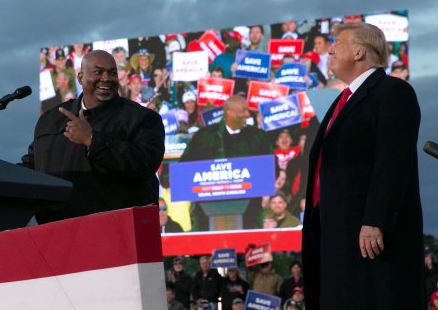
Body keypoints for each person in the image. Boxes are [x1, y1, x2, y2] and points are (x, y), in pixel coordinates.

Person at [301, 22, 427, 310]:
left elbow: (393, 161)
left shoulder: (393, 93)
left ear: (360, 51)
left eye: (336, 44)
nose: (329, 51)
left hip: (374, 243)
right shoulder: (342, 102)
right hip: (344, 245)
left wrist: (375, 220)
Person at [21, 50, 165, 223]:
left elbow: (144, 163)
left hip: (116, 235)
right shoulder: (50, 120)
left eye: (112, 73)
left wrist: (92, 140)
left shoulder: (142, 119)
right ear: (81, 78)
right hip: (56, 236)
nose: (106, 78)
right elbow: (32, 167)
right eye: (98, 72)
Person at [180, 96, 271, 230]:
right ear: (229, 112)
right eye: (243, 111)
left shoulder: (258, 136)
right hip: (208, 212)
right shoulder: (205, 136)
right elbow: (184, 167)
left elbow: (271, 167)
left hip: (249, 213)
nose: (247, 114)